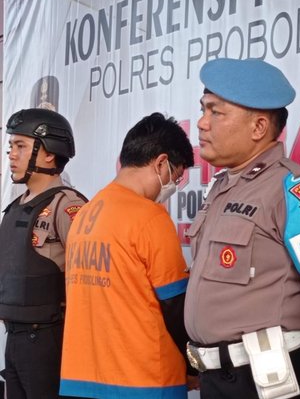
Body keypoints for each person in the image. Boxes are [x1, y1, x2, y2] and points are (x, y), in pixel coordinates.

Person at [184, 58, 300, 399]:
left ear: (258, 127)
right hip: (220, 379)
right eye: (202, 109)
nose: (201, 123)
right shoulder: (223, 187)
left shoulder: (296, 187)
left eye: (215, 112)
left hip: (274, 381)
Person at [59, 113, 197, 399]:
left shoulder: (86, 214)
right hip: (144, 381)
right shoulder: (149, 217)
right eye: (177, 175)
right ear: (161, 163)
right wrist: (194, 366)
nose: (174, 184)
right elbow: (174, 305)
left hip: (81, 378)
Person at [0, 108, 87, 398]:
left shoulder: (67, 205)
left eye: (21, 146)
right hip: (15, 338)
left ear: (49, 153)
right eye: (11, 146)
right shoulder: (14, 209)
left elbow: (88, 279)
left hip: (49, 340)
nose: (11, 154)